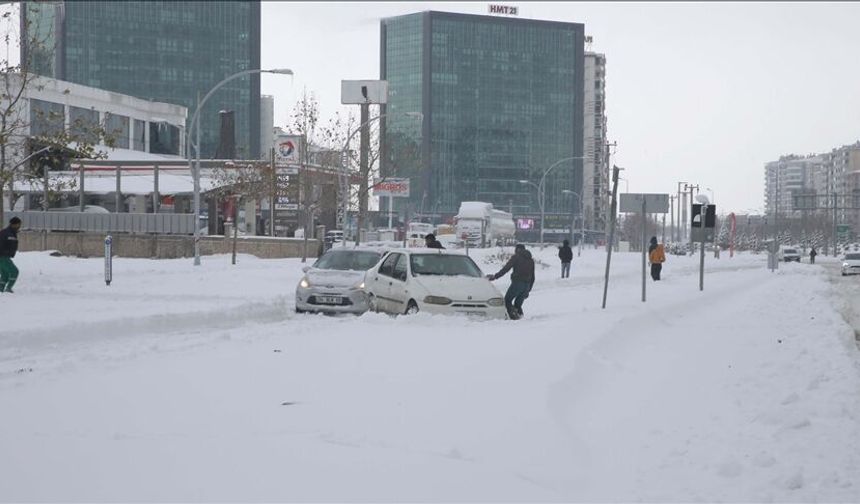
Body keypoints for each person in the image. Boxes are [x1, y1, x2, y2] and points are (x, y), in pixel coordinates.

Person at [487, 244, 535, 320]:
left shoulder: (516, 257)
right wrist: (528, 290)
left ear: (518, 249)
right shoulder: (531, 260)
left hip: (517, 284)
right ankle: (520, 317)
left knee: (507, 300)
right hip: (527, 285)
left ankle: (514, 318)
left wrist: (495, 276)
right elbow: (533, 277)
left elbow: (506, 268)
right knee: (518, 304)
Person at [0, 217, 21, 293]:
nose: (19, 226)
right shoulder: (6, 233)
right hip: (3, 257)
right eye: (18, 224)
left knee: (5, 274)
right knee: (14, 271)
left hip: (5, 256)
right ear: (14, 224)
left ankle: (1, 289)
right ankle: (8, 288)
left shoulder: (11, 233)